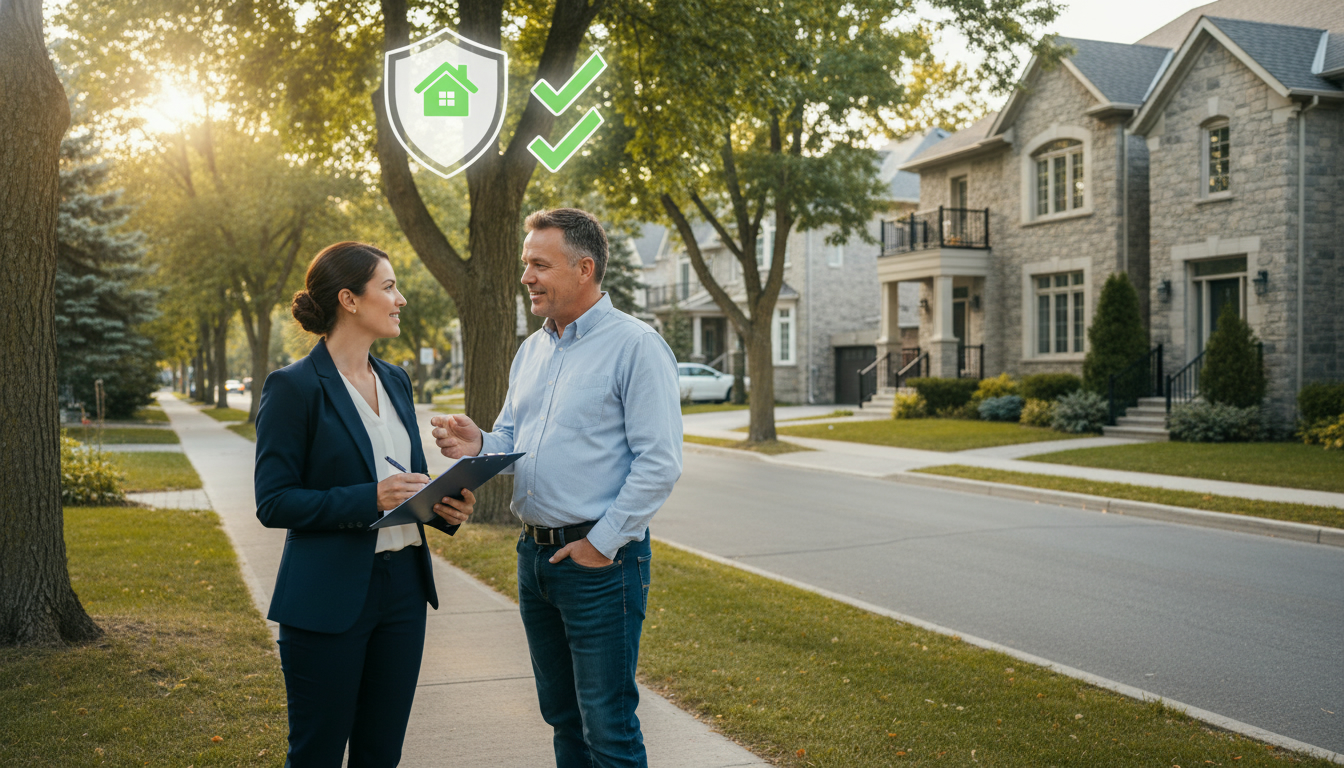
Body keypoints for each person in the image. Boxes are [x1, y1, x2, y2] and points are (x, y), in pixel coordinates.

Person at [431, 209, 683, 768]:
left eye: (540, 264)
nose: (527, 277)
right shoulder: (532, 350)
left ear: (585, 268)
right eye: (526, 264)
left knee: (608, 726)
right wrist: (480, 446)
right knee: (563, 718)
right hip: (535, 560)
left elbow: (660, 462)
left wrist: (602, 544)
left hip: (599, 565)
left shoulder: (636, 347)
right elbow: (515, 441)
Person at [254, 241, 475, 767]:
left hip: (403, 591)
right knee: (317, 754)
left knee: (381, 753)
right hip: (326, 597)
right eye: (390, 287)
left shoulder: (396, 379)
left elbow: (408, 481)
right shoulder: (293, 387)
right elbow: (274, 502)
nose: (400, 299)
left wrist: (444, 508)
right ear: (349, 300)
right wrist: (368, 498)